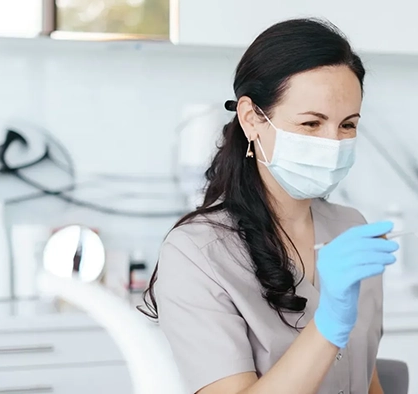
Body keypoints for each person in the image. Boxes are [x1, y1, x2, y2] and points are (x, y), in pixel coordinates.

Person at [140, 18, 398, 394]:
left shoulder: (351, 230)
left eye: (348, 125)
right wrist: (328, 324)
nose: (333, 142)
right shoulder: (197, 253)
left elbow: (366, 379)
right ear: (251, 119)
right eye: (311, 123)